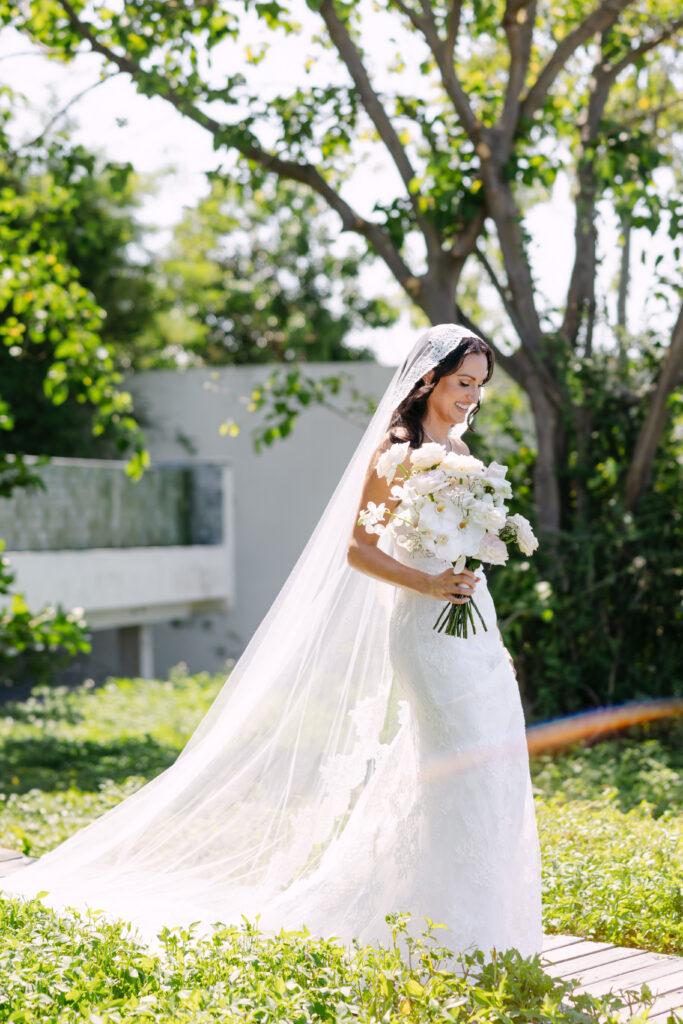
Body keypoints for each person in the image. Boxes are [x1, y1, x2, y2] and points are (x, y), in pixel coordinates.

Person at [2, 324, 542, 959]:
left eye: (480, 385)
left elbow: (466, 541)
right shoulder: (397, 451)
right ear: (429, 379)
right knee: (458, 759)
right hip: (426, 627)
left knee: (495, 755)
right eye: (462, 383)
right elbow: (359, 550)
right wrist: (427, 581)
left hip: (475, 625)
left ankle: (471, 922)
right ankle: (451, 935)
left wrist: (482, 552)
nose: (471, 397)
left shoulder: (461, 448)